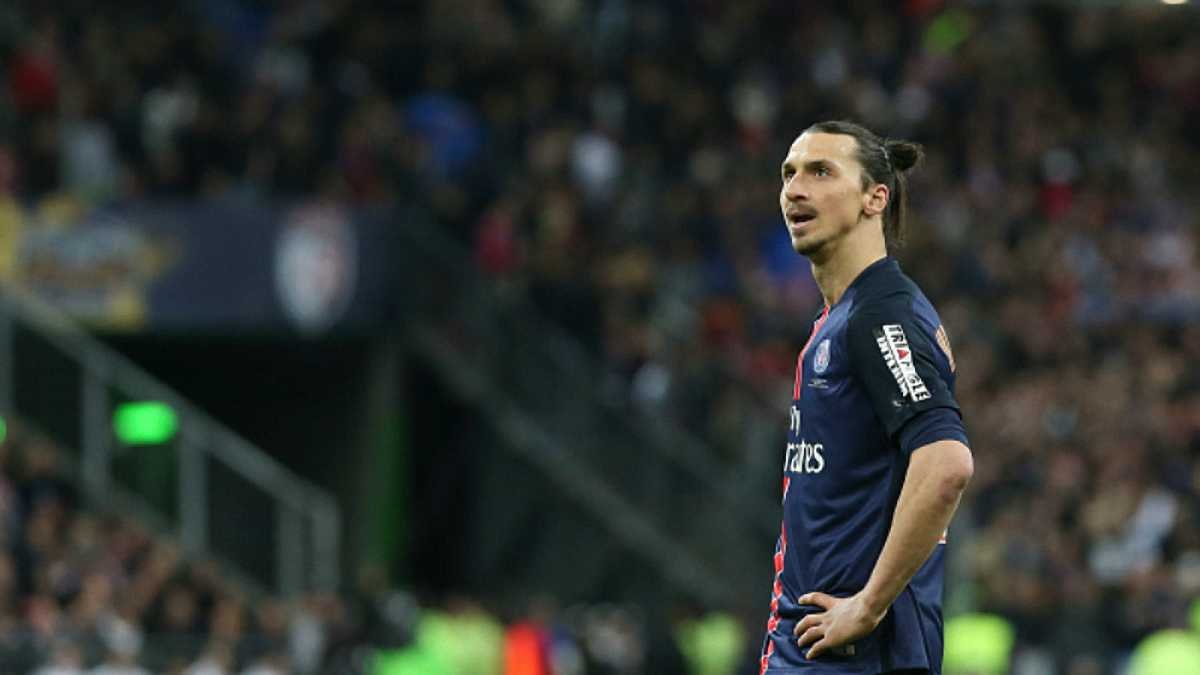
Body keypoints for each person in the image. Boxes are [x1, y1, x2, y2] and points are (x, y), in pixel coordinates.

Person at [758, 121, 974, 674]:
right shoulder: (841, 318)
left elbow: (945, 462)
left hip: (852, 656)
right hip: (816, 649)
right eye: (788, 174)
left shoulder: (880, 315)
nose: (795, 189)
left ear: (874, 198)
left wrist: (868, 605)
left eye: (821, 172)